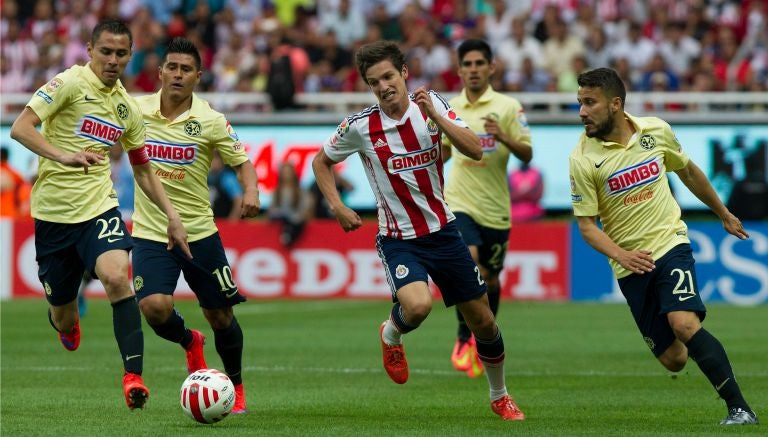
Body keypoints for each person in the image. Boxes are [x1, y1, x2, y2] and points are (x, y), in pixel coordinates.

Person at [312, 40, 525, 421]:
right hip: (398, 238)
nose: (383, 86)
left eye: (389, 76)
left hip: (444, 232)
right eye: (374, 81)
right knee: (418, 305)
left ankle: (500, 395)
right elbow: (320, 162)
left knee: (484, 322)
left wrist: (437, 118)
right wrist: (337, 205)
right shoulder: (360, 127)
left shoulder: (434, 104)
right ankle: (391, 334)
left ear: (404, 73)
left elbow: (475, 149)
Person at [9, 19, 191, 410]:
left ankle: (133, 378)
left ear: (130, 55)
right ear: (90, 50)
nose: (112, 60)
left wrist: (172, 215)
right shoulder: (69, 84)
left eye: (121, 53)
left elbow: (142, 169)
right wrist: (65, 155)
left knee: (116, 278)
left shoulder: (126, 108)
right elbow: (20, 128)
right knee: (64, 316)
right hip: (54, 215)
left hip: (99, 207)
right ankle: (63, 321)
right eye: (105, 51)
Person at [569, 67, 758, 426]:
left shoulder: (655, 130)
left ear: (615, 104)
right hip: (631, 266)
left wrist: (723, 213)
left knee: (684, 323)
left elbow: (687, 171)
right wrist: (621, 255)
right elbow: (586, 227)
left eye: (589, 102)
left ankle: (739, 408)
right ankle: (708, 359)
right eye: (579, 103)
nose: (581, 111)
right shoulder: (582, 159)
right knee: (674, 359)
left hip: (670, 243)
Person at [131, 37, 260, 415]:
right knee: (154, 307)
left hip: (200, 233)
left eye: (186, 69)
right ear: (160, 72)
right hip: (152, 232)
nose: (177, 74)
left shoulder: (210, 120)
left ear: (198, 76)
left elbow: (243, 162)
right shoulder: (135, 110)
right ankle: (190, 342)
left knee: (221, 316)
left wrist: (250, 190)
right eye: (171, 66)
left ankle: (234, 384)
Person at [442, 38, 533, 379]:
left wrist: (503, 136)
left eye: (480, 63)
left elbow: (526, 153)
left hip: (496, 209)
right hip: (459, 202)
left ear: (491, 67)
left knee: (491, 281)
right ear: (460, 70)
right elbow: (447, 152)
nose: (474, 70)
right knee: (470, 263)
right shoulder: (450, 107)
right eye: (467, 64)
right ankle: (464, 336)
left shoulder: (509, 107)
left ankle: (484, 336)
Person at [268, 161, 311, 246]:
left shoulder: (300, 192)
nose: (286, 175)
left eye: (288, 172)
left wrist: (297, 216)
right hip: (281, 218)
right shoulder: (276, 192)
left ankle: (288, 235)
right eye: (284, 172)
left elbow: (305, 208)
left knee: (294, 221)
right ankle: (287, 234)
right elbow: (272, 209)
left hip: (295, 219)